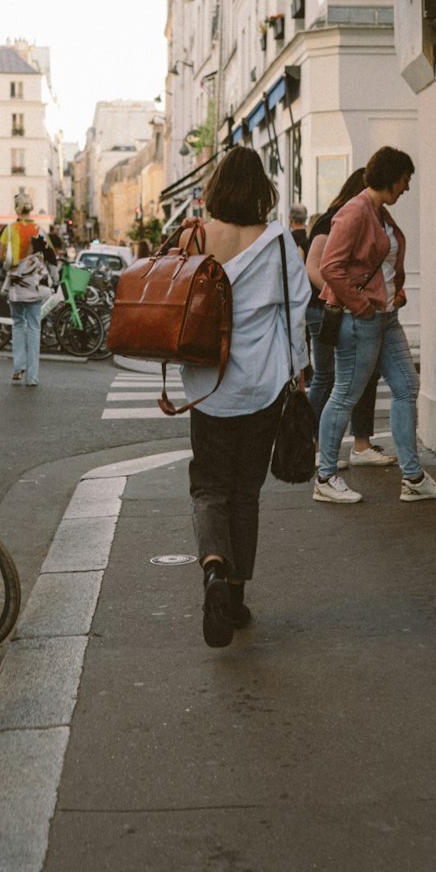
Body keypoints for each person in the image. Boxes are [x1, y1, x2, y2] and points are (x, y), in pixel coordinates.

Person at [180, 146, 309, 648]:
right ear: (261, 190)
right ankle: (234, 597)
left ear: (215, 188)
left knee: (210, 485)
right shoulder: (279, 244)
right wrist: (298, 371)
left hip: (207, 384)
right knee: (246, 491)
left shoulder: (198, 239)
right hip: (262, 385)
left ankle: (213, 565)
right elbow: (297, 314)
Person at [315, 145, 436, 504]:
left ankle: (414, 478)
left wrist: (395, 292)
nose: (406, 187)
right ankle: (325, 477)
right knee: (345, 393)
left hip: (384, 318)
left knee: (407, 386)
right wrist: (362, 306)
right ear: (392, 177)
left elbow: (377, 264)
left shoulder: (378, 212)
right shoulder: (356, 211)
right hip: (362, 319)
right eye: (405, 179)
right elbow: (331, 266)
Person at [306, 168, 396, 468]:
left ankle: (360, 444)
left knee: (364, 377)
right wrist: (347, 298)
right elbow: (316, 267)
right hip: (325, 311)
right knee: (326, 378)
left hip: (346, 308)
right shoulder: (336, 217)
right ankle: (317, 447)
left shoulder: (374, 219)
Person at [0, 191, 57, 387]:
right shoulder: (39, 230)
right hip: (35, 285)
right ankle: (32, 376)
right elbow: (51, 258)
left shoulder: (9, 229)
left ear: (16, 208)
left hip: (16, 285)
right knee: (34, 327)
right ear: (30, 208)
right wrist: (54, 279)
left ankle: (17, 367)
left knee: (17, 324)